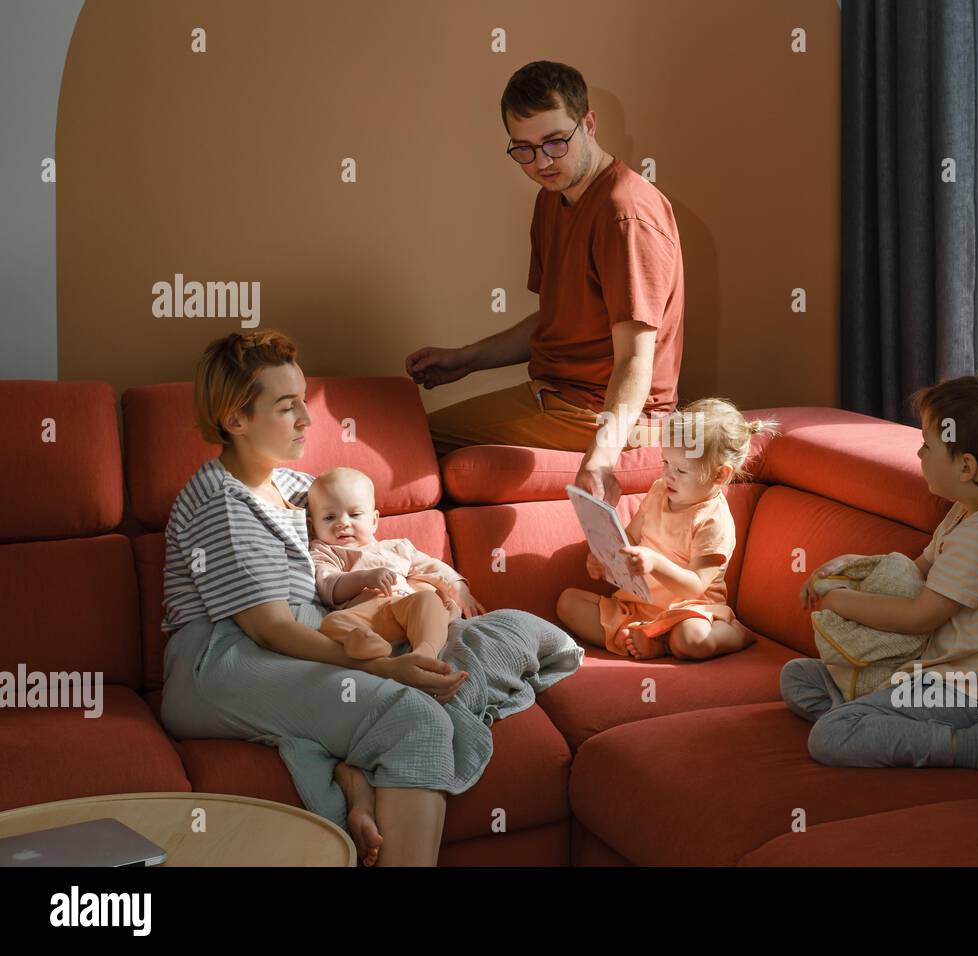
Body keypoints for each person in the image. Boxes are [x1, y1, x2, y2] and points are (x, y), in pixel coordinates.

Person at [159, 330, 581, 867]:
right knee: (417, 717)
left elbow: (365, 554)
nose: (307, 421)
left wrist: (436, 587)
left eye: (303, 402)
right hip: (223, 659)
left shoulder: (293, 486)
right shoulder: (223, 506)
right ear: (235, 420)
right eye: (288, 408)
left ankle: (354, 779)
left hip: (300, 632)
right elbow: (272, 630)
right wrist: (388, 667)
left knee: (492, 636)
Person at [407, 60, 685, 507]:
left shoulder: (624, 214)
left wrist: (603, 453)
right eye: (524, 149)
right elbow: (560, 319)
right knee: (403, 434)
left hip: (598, 412)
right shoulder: (551, 200)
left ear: (588, 123)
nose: (542, 162)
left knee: (410, 443)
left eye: (556, 142)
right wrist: (467, 359)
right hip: (555, 397)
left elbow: (636, 358)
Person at [782, 374, 978, 791]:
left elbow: (918, 617)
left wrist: (840, 600)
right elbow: (917, 568)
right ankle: (867, 716)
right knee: (796, 678)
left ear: (966, 467)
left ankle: (967, 746)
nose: (919, 451)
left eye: (927, 444)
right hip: (918, 673)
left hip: (957, 693)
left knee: (828, 738)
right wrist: (851, 568)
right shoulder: (968, 510)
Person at [557, 398, 779, 660]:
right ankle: (649, 638)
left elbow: (694, 586)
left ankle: (731, 635)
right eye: (665, 463)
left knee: (691, 640)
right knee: (568, 603)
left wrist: (655, 563)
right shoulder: (659, 490)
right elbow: (629, 537)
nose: (668, 475)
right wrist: (606, 558)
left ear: (720, 475)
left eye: (681, 470)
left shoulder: (713, 520)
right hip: (637, 604)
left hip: (688, 611)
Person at [307, 466, 486, 662]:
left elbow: (433, 567)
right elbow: (328, 586)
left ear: (374, 520)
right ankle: (371, 646)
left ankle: (424, 653)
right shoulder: (326, 550)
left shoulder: (397, 548)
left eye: (355, 514)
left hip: (404, 606)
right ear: (313, 525)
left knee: (428, 599)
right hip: (366, 616)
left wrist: (460, 590)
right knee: (331, 623)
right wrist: (365, 578)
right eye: (329, 517)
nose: (343, 523)